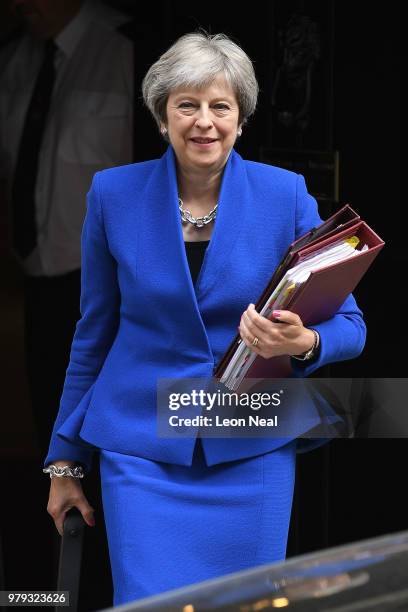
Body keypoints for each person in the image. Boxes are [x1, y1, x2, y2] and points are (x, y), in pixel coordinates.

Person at [43, 32, 366, 606]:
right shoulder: (112, 195)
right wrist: (64, 460)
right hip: (140, 452)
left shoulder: (286, 195)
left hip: (250, 448)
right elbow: (93, 335)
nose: (205, 122)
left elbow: (351, 325)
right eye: (186, 105)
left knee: (245, 602)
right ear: (162, 116)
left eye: (221, 106)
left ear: (241, 119)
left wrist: (304, 341)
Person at [0, 0, 133, 458]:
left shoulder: (127, 48)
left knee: (110, 440)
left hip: (114, 283)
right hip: (39, 278)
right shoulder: (17, 58)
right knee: (53, 433)